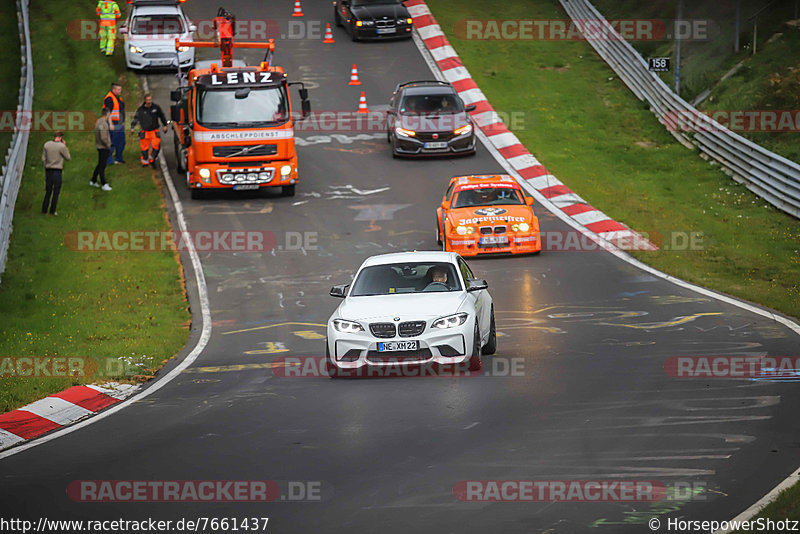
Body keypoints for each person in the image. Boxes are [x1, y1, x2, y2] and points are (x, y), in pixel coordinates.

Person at [130, 93, 169, 166]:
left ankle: (152, 159)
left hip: (154, 131)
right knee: (144, 149)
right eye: (148, 100)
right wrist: (132, 127)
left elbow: (162, 116)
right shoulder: (141, 110)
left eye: (150, 99)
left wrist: (165, 125)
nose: (149, 101)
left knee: (156, 146)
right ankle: (145, 162)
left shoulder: (156, 108)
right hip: (145, 131)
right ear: (145, 100)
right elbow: (136, 118)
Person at [41, 131, 71, 216]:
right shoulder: (61, 146)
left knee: (48, 190)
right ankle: (52, 211)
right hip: (57, 170)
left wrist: (46, 165)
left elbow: (43, 158)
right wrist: (65, 146)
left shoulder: (47, 144)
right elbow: (68, 157)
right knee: (56, 191)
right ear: (61, 137)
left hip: (48, 170)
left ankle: (44, 209)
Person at [103, 83, 125, 164]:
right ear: (114, 90)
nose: (120, 91)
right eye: (118, 90)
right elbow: (107, 112)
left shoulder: (118, 99)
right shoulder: (109, 99)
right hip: (112, 124)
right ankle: (109, 160)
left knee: (121, 142)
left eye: (120, 89)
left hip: (119, 124)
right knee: (111, 142)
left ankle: (118, 158)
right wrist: (110, 124)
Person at [91, 107, 113, 191]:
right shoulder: (104, 124)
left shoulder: (98, 121)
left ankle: (93, 180)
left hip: (99, 146)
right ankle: (104, 183)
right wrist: (108, 145)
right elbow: (103, 138)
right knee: (102, 166)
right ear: (107, 114)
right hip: (103, 147)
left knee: (100, 164)